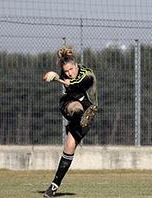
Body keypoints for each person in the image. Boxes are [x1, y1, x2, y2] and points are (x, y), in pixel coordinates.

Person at [42, 45, 98, 198]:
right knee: (77, 107)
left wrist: (59, 80)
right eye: (66, 71)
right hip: (70, 105)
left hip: (89, 109)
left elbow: (78, 83)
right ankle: (80, 118)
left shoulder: (87, 74)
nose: (69, 73)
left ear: (76, 65)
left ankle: (54, 186)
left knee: (69, 147)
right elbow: (68, 85)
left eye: (71, 69)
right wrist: (54, 76)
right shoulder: (65, 73)